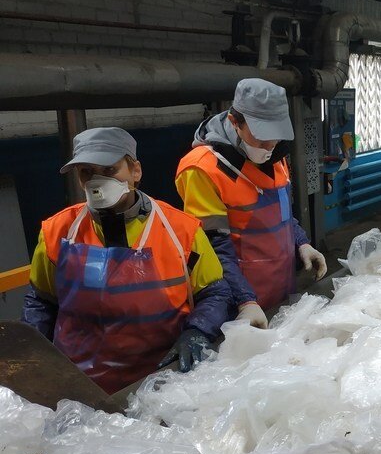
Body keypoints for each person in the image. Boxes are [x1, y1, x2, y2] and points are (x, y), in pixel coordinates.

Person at [21, 128, 230, 393]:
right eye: (86, 172)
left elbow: (215, 293)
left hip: (161, 383)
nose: (96, 181)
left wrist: (198, 331)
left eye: (108, 170)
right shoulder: (57, 232)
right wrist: (33, 361)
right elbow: (40, 302)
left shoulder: (181, 231)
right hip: (81, 390)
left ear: (135, 171)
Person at [176, 79, 327, 329]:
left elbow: (283, 214)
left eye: (276, 137)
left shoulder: (274, 155)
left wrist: (302, 242)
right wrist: (245, 301)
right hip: (239, 299)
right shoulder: (202, 169)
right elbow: (213, 247)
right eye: (262, 136)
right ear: (235, 123)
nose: (270, 146)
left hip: (281, 284)